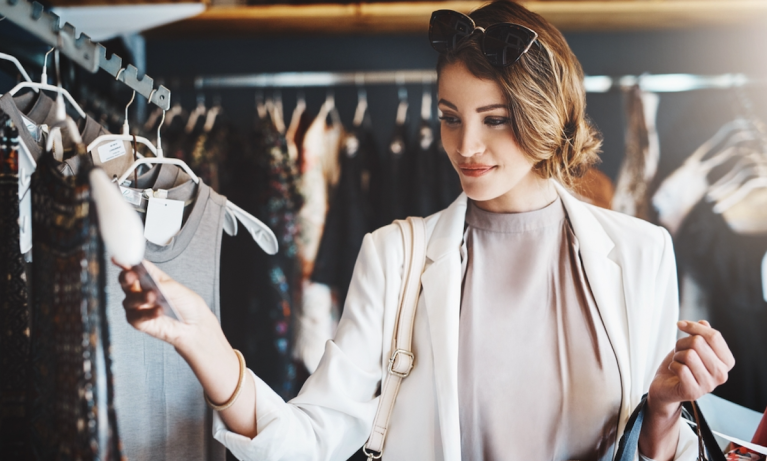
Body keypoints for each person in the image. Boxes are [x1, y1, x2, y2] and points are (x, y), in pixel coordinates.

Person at [116, 1, 735, 460]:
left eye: (495, 120)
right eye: (449, 117)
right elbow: (310, 438)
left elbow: (660, 449)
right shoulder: (395, 256)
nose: (465, 146)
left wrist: (663, 411)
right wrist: (205, 344)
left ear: (548, 118)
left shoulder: (640, 252)